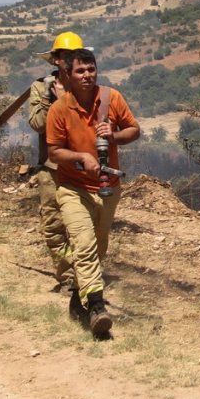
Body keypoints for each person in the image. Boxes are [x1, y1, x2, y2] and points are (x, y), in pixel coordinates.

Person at [46, 47, 141, 335]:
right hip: (73, 188)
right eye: (80, 71)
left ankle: (79, 295)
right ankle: (97, 307)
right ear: (69, 75)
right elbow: (54, 151)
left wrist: (112, 136)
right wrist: (80, 158)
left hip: (107, 188)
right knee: (84, 244)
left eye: (91, 69)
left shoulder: (111, 98)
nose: (87, 75)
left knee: (99, 247)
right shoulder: (59, 109)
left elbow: (134, 130)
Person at [27, 31, 84, 297]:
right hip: (51, 168)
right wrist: (58, 102)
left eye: (74, 56)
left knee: (82, 225)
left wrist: (64, 101)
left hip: (81, 168)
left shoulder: (87, 87)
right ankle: (68, 274)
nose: (69, 61)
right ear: (55, 60)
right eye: (64, 56)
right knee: (52, 225)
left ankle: (83, 274)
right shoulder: (41, 88)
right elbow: (38, 124)